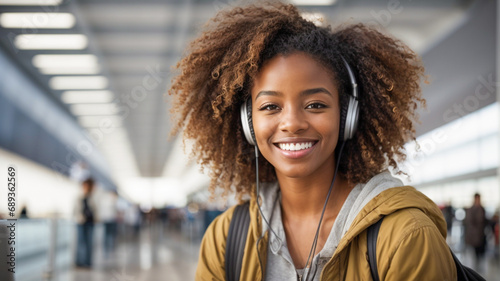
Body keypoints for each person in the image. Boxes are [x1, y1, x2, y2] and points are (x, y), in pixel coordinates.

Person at [169, 2, 456, 280]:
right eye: (270, 107)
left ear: (347, 116)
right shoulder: (226, 238)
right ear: (248, 123)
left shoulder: (406, 237)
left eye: (316, 105)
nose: (292, 123)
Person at [74, 177, 97, 268]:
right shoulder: (79, 196)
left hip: (90, 222)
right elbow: (75, 210)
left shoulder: (93, 196)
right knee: (80, 242)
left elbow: (96, 209)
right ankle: (79, 261)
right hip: (81, 222)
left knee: (89, 242)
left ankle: (88, 262)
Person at [465, 193, 487, 269]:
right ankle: (477, 262)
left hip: (481, 233)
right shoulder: (471, 209)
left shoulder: (482, 208)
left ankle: (480, 261)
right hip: (474, 233)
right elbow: (469, 221)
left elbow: (484, 220)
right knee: (476, 249)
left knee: (481, 248)